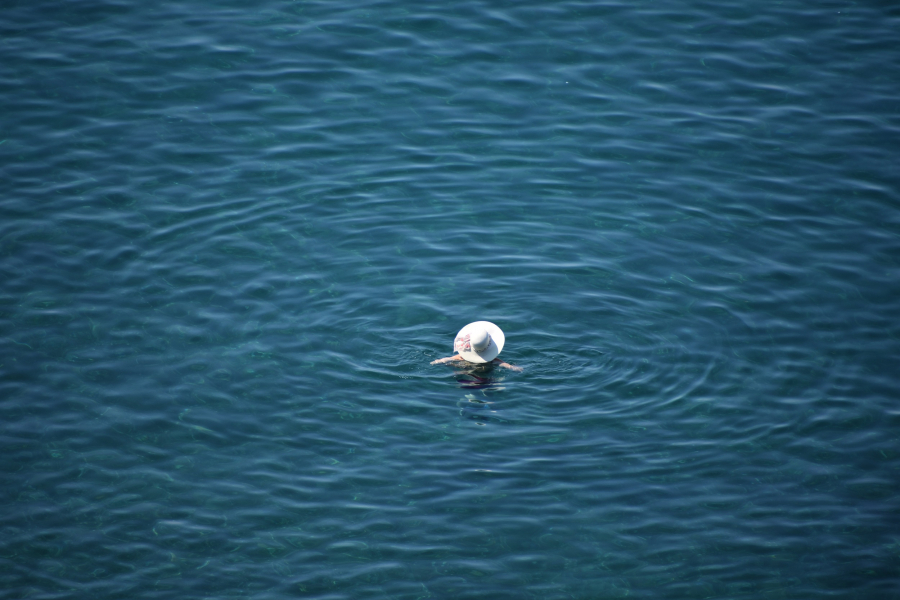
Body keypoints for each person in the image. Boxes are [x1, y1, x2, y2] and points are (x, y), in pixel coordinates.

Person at [430, 321, 523, 371]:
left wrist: (439, 361)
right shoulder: (492, 360)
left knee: (455, 366)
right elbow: (502, 364)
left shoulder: (461, 357)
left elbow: (449, 358)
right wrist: (512, 367)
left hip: (465, 373)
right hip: (484, 378)